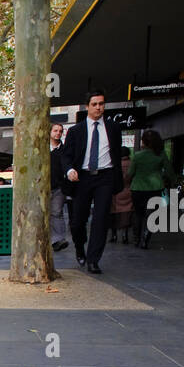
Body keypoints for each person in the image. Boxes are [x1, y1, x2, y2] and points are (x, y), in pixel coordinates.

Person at [60, 89, 124, 273]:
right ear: (87, 106)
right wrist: (70, 170)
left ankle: (93, 259)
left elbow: (116, 154)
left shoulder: (113, 128)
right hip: (82, 178)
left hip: (106, 176)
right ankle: (80, 248)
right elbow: (66, 156)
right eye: (94, 104)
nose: (98, 108)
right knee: (78, 221)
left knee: (101, 219)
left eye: (101, 104)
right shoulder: (75, 131)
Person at [127, 129, 174, 248]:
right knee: (151, 214)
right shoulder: (161, 154)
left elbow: (130, 172)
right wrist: (170, 181)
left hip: (137, 188)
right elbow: (169, 172)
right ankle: (146, 236)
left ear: (144, 142)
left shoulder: (137, 155)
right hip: (155, 188)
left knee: (138, 213)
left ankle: (136, 238)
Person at [48, 122, 69, 251]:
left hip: (59, 186)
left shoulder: (64, 150)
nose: (58, 133)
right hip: (44, 187)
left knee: (56, 212)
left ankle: (58, 239)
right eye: (55, 130)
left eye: (60, 131)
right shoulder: (43, 149)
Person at [110, 146, 134, 243]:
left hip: (116, 191)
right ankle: (125, 234)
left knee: (113, 213)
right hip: (128, 190)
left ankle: (114, 234)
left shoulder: (114, 164)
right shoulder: (131, 163)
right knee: (126, 213)